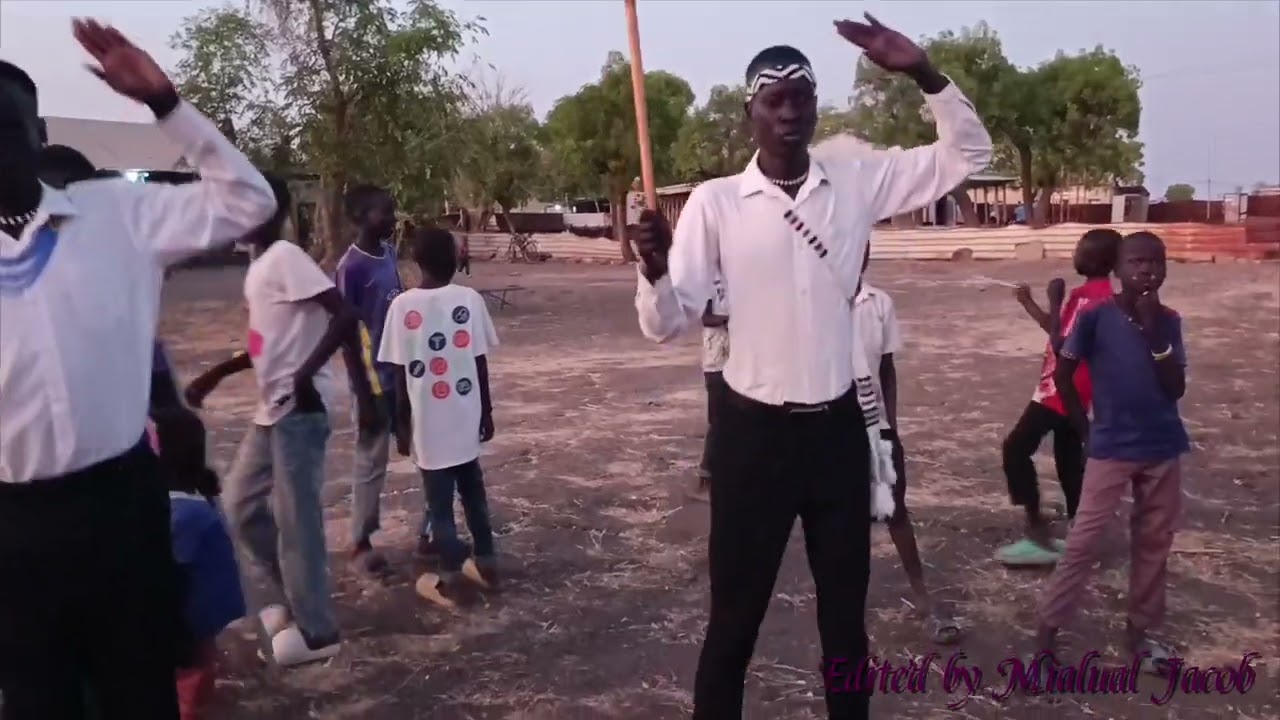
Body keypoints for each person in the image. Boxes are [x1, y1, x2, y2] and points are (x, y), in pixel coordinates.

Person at [631, 13, 992, 720]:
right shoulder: (715, 203)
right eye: (775, 100)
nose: (789, 112)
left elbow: (969, 153)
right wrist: (653, 272)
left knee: (846, 630)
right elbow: (667, 324)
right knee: (733, 624)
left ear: (816, 107)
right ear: (751, 114)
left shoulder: (858, 181)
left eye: (801, 98)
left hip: (837, 437)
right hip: (751, 439)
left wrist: (923, 72)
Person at [0, 22, 276, 720]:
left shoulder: (117, 212)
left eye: (5, 129)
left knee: (139, 691)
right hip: (12, 526)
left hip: (120, 506)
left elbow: (250, 202)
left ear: (37, 133)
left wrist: (165, 103)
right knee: (36, 700)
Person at [184, 175, 379, 667]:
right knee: (238, 505)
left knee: (297, 522)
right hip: (271, 410)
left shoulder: (287, 258)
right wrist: (217, 374)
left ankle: (318, 630)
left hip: (299, 410)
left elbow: (344, 314)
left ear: (268, 211)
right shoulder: (261, 266)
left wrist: (305, 374)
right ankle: (290, 594)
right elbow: (266, 342)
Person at [1033, 231, 1188, 676]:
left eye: (1156, 262)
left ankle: (1139, 634)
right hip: (1112, 446)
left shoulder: (1169, 321)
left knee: (1154, 542)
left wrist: (1154, 332)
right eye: (1136, 262)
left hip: (1162, 447)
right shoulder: (1096, 318)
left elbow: (1175, 388)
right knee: (1083, 542)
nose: (1147, 270)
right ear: (1117, 269)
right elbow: (1064, 373)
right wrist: (1084, 430)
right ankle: (1045, 641)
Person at [378, 227, 500, 609]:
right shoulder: (469, 299)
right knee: (474, 496)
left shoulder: (401, 306)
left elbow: (400, 374)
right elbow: (479, 363)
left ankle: (451, 576)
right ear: (455, 259)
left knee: (440, 507)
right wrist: (486, 412)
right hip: (464, 418)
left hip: (427, 426)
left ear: (417, 261)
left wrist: (402, 426)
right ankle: (486, 562)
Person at [850, 245, 960, 644]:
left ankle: (922, 595)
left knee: (894, 509)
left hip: (874, 425)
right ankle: (846, 605)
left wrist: (891, 427)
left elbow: (887, 369)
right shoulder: (814, 303)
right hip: (828, 430)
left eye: (859, 246)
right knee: (843, 519)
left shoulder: (878, 304)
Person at [997, 229, 1120, 566]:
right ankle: (1082, 538)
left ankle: (1037, 529)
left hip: (1062, 390)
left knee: (1016, 448)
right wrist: (1029, 304)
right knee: (1068, 461)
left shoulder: (1096, 302)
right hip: (1068, 390)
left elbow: (1063, 345)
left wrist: (1053, 299)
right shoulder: (1087, 295)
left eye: (1083, 251)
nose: (1076, 255)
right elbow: (1059, 331)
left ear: (1100, 260)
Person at [337, 183, 431, 575]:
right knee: (371, 462)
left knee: (428, 452)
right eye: (385, 212)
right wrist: (362, 393)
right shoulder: (351, 268)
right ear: (359, 218)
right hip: (374, 382)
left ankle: (431, 531)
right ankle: (361, 542)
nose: (393, 219)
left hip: (404, 374)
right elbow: (345, 333)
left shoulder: (389, 253)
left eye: (393, 210)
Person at [151, 407, 246, 720]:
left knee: (189, 668)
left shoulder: (180, 513)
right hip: (213, 604)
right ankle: (200, 698)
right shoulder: (197, 496)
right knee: (203, 658)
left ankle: (192, 706)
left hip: (196, 611)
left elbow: (169, 570)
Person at [691, 276, 729, 503]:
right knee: (718, 420)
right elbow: (706, 317)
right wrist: (732, 319)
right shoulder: (708, 280)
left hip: (736, 360)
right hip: (716, 361)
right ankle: (707, 476)